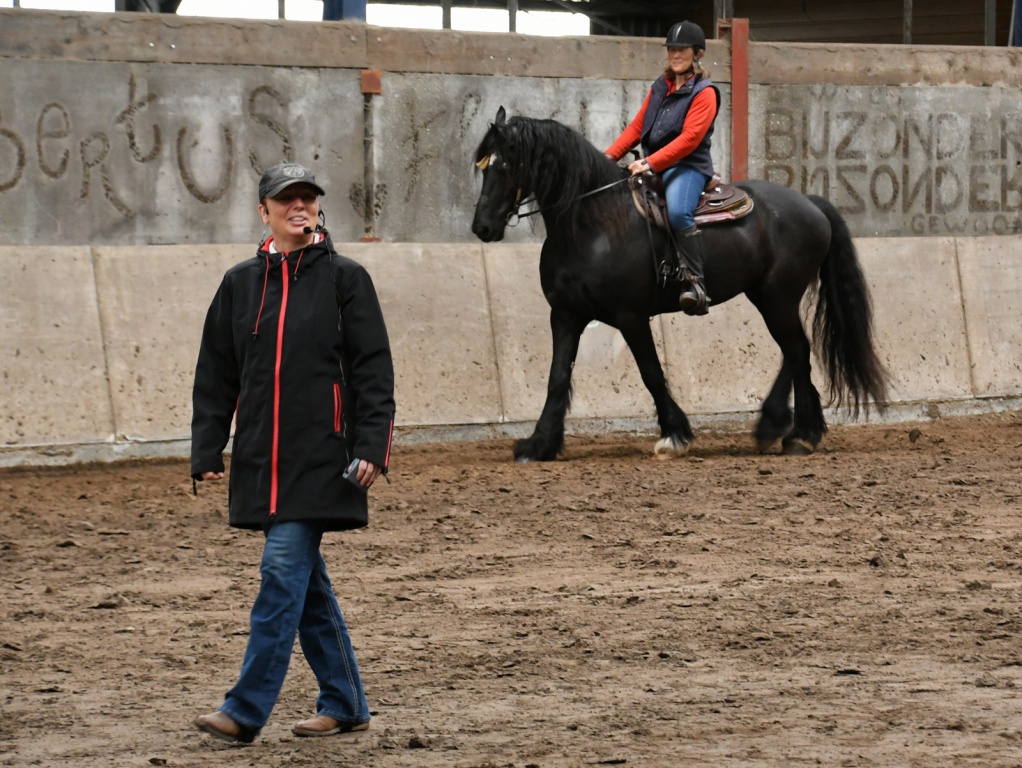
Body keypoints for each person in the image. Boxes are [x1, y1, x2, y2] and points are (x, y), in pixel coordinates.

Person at [191, 162, 395, 744]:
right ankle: (346, 701)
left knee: (281, 574)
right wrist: (208, 445)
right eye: (286, 199)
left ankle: (245, 710)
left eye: (307, 197)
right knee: (305, 589)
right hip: (262, 461)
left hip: (324, 458)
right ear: (265, 212)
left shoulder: (346, 278)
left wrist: (373, 445)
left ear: (317, 208)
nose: (298, 206)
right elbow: (216, 372)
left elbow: (373, 370)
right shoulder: (239, 283)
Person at [604, 20, 721, 316]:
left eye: (683, 49)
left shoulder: (705, 92)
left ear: (697, 53)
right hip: (655, 166)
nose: (676, 55)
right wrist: (608, 157)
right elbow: (638, 126)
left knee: (679, 212)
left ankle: (696, 283)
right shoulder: (661, 86)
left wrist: (650, 162)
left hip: (687, 166)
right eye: (672, 49)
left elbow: (690, 139)